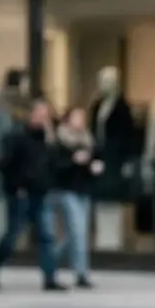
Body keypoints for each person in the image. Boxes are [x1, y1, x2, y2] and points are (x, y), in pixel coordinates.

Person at [0, 98, 65, 291]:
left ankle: (50, 278)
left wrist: (52, 141)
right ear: (31, 115)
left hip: (40, 192)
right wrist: (15, 186)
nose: (43, 119)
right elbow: (4, 164)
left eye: (46, 115)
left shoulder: (46, 139)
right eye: (40, 114)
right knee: (13, 235)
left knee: (46, 235)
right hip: (21, 192)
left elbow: (55, 164)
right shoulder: (16, 136)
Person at [50, 106, 103, 288]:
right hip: (65, 190)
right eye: (77, 117)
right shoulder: (60, 140)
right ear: (68, 119)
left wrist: (95, 166)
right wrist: (73, 161)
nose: (81, 121)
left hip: (83, 190)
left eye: (83, 117)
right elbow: (55, 166)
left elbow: (97, 158)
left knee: (76, 234)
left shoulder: (88, 139)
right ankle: (81, 274)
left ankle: (50, 262)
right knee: (78, 231)